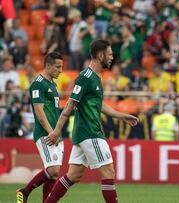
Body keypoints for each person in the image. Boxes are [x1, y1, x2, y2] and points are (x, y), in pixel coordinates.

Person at [44, 40, 139, 203]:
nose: (111, 58)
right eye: (109, 54)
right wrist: (57, 130)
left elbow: (98, 105)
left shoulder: (97, 77)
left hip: (84, 133)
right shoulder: (85, 77)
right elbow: (70, 105)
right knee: (108, 172)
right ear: (100, 55)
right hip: (90, 132)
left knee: (73, 175)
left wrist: (121, 115)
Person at [16, 52, 64, 203]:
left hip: (56, 134)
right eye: (57, 67)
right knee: (53, 170)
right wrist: (51, 132)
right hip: (45, 133)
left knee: (54, 174)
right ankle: (24, 192)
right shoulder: (38, 83)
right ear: (48, 66)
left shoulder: (53, 84)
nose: (61, 70)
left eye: (61, 67)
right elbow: (38, 110)